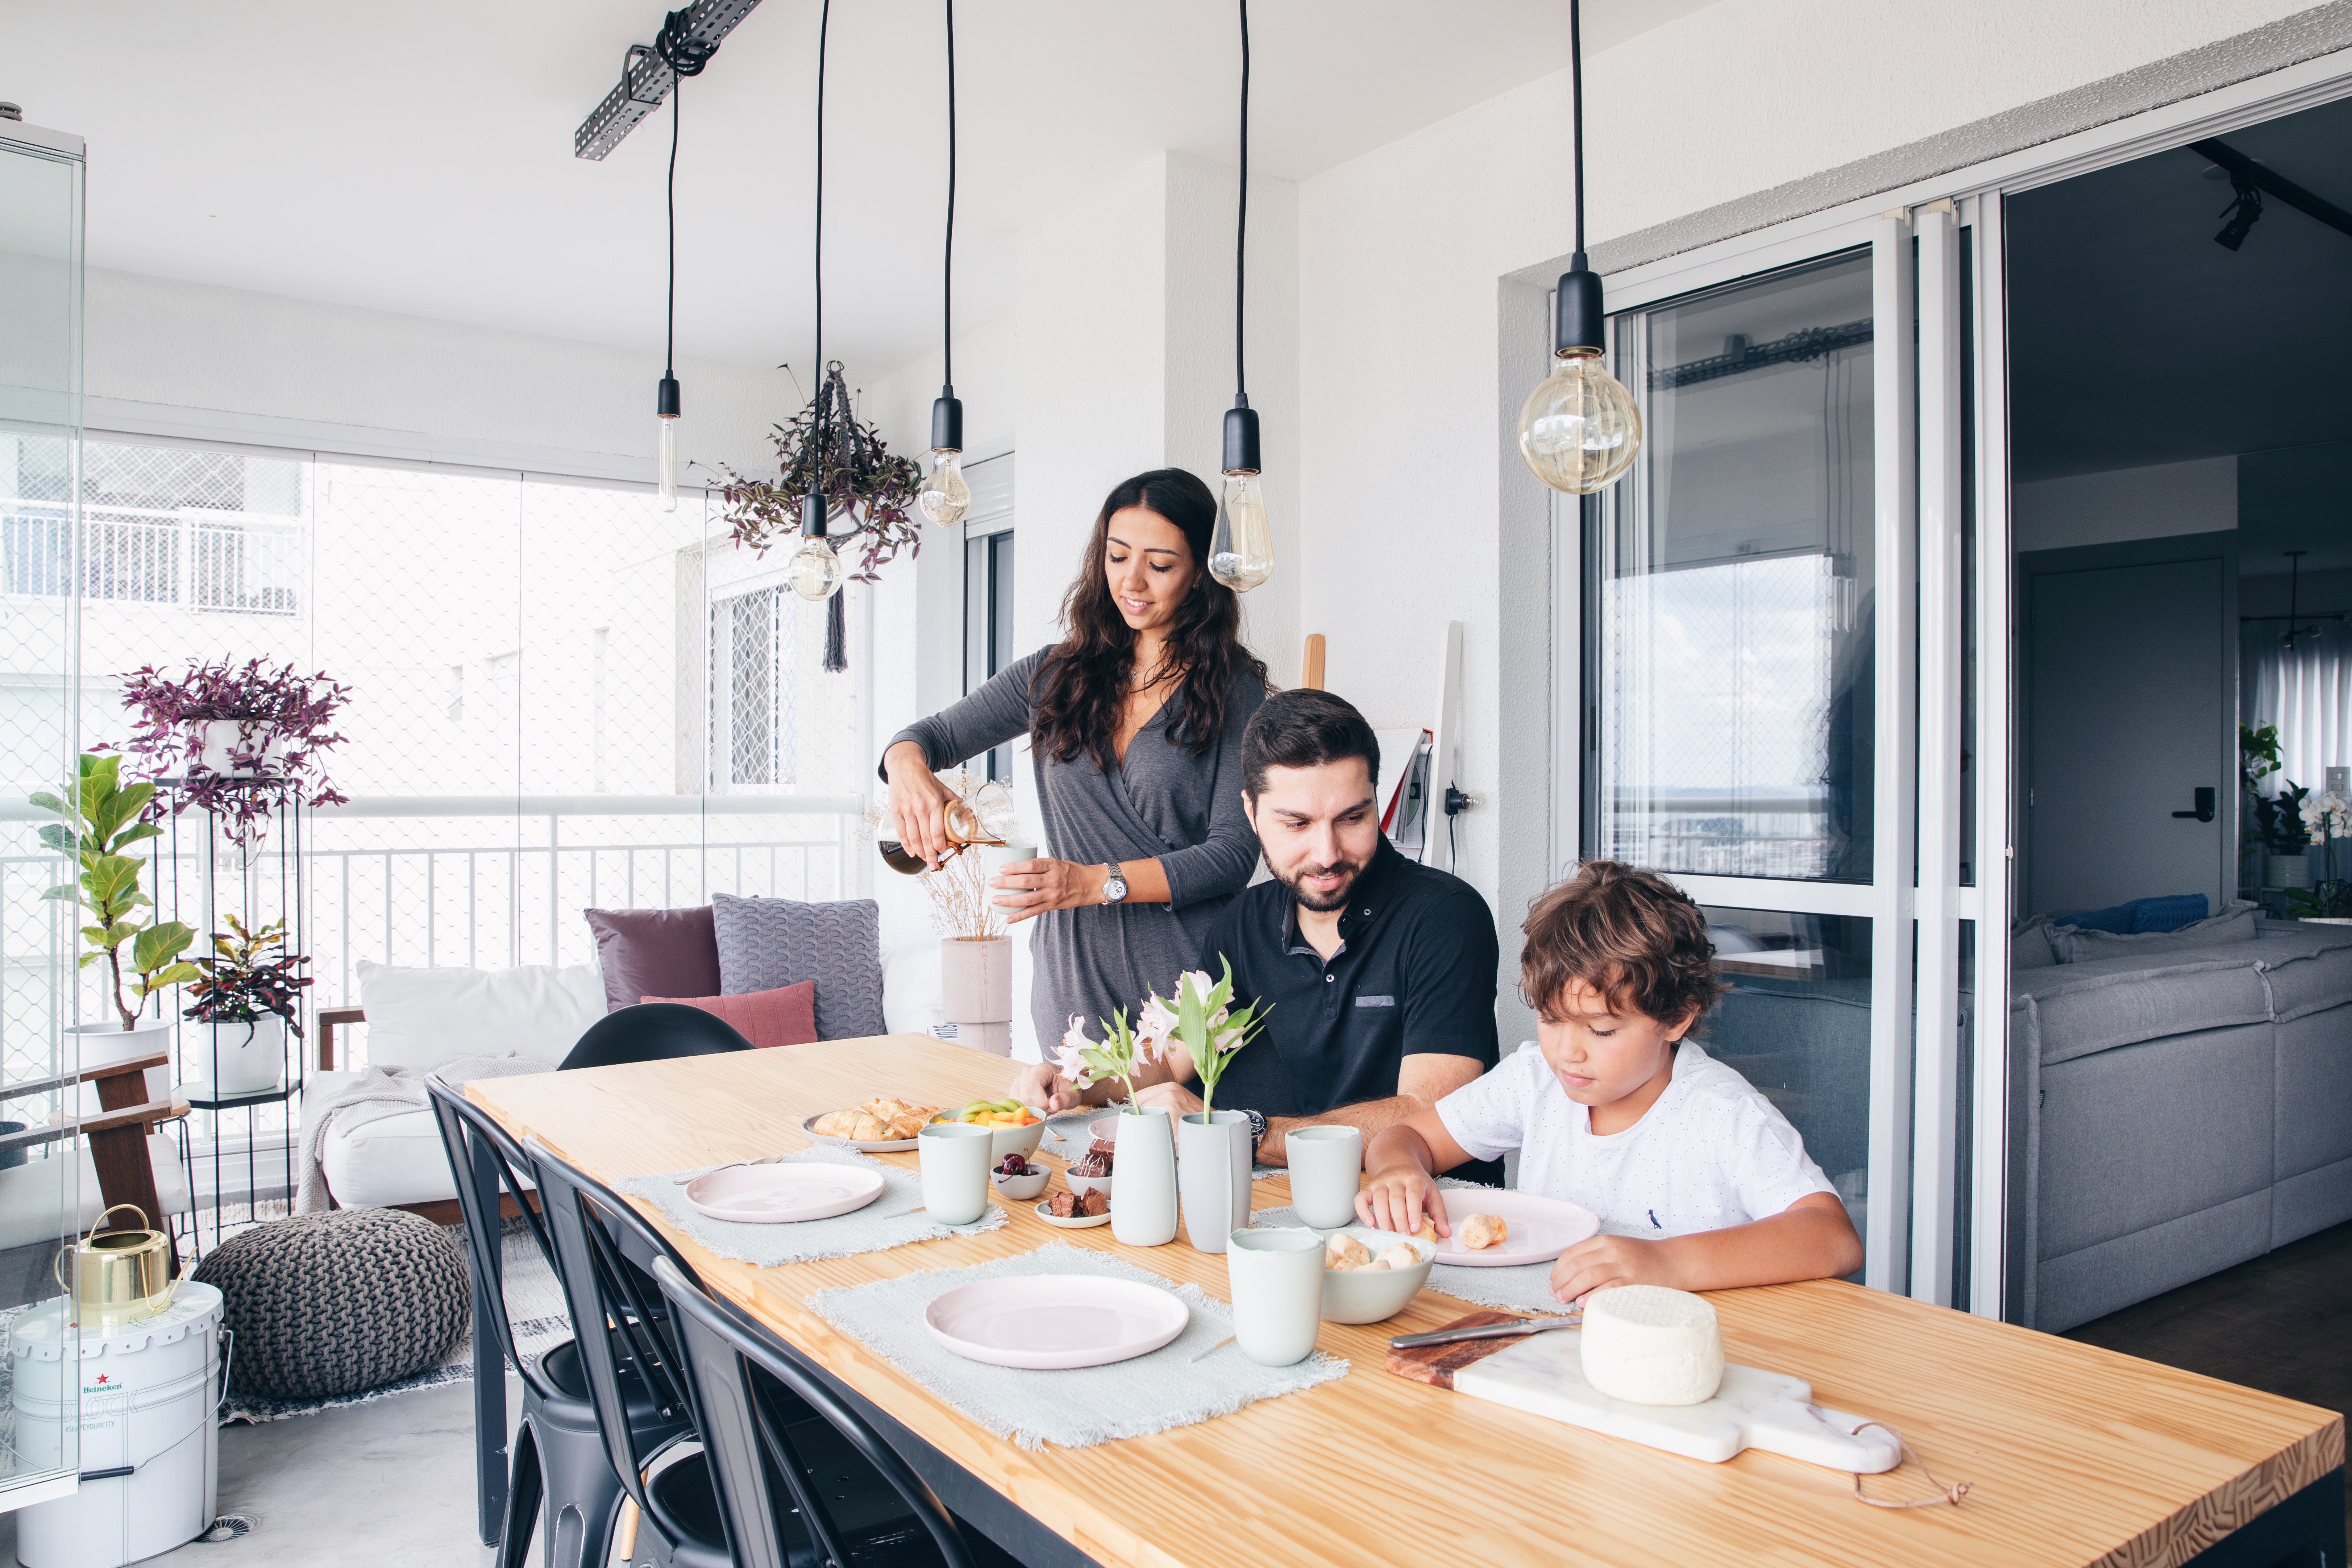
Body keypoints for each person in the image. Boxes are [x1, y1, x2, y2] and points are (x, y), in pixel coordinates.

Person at [1013, 688, 1504, 1181]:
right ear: (1250, 815)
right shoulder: (1243, 924)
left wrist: (1243, 1132)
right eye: (1296, 823)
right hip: (1292, 1204)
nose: (1327, 853)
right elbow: (1173, 1059)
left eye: (1353, 818)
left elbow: (1429, 1114)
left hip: (1434, 1217)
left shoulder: (1447, 917)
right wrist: (1079, 1084)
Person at [882, 468, 1268, 1056]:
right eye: (1117, 557)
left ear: (1198, 575)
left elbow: (1232, 856)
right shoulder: (1054, 675)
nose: (1131, 582)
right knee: (1074, 1142)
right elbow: (927, 736)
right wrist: (906, 769)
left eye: (1160, 565)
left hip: (1188, 979)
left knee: (1178, 1138)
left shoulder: (1232, 690)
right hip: (1072, 976)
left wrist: (1094, 882)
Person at [1356, 860, 1863, 1303]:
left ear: (1676, 1019)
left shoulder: (1721, 1112)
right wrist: (1399, 1170)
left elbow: (1832, 1238)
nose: (1568, 1051)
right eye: (1551, 1020)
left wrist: (1668, 1264)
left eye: (1601, 1029)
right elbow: (1410, 1138)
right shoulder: (1535, 1079)